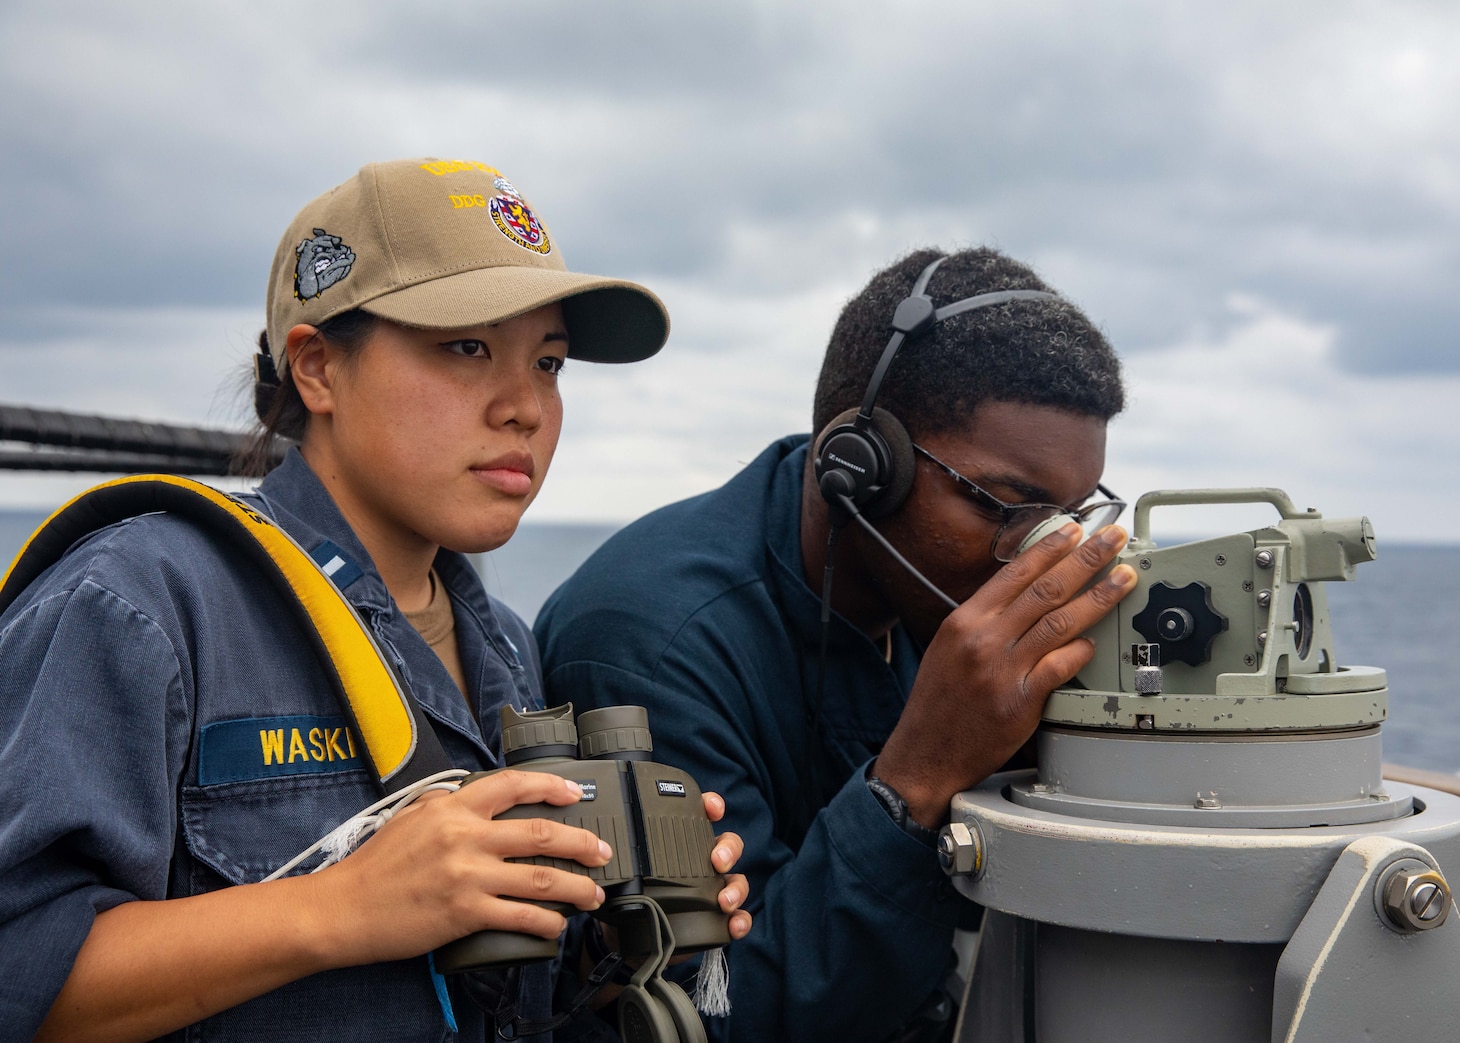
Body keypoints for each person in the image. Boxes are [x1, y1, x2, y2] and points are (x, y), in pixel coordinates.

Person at [0, 158, 750, 1042]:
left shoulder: (503, 646)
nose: (526, 408)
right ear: (316, 368)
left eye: (548, 362)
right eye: (468, 347)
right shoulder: (142, 603)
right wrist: (346, 904)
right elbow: (20, 965)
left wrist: (608, 929)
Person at [534, 246, 1136, 1042]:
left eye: (1068, 515)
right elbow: (707, 1011)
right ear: (858, 465)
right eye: (1006, 505)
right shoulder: (649, 642)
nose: (1039, 555)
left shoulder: (927, 598)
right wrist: (914, 783)